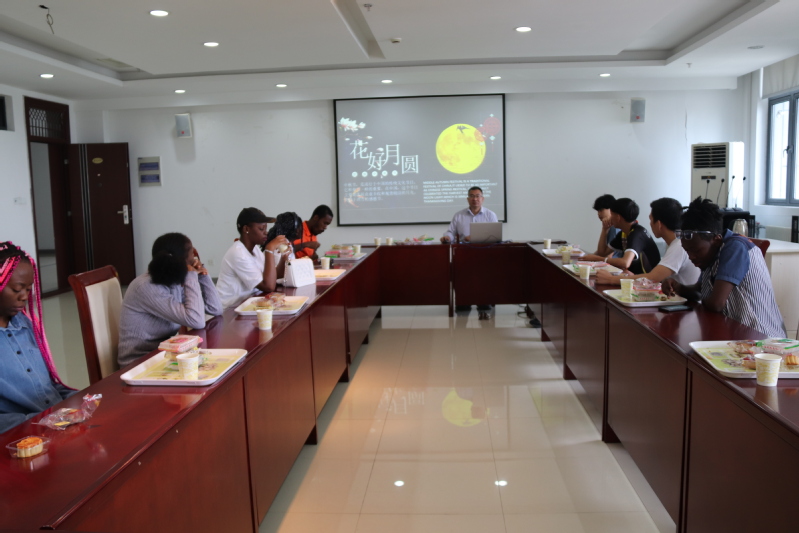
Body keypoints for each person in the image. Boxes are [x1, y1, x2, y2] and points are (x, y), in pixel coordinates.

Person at [662, 197, 785, 338]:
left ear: (716, 239)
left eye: (696, 251)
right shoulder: (709, 255)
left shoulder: (735, 248)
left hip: (762, 338)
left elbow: (716, 304)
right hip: (735, 335)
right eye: (687, 251)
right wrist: (678, 287)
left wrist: (703, 299)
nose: (691, 257)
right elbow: (700, 291)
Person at [1, 242, 77, 433]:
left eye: (28, 289)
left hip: (54, 420)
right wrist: (39, 421)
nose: (24, 297)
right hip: (23, 434)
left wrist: (77, 399)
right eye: (17, 289)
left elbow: (46, 386)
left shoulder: (25, 323)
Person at [117, 233, 223, 367]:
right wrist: (191, 276)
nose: (194, 259)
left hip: (164, 355)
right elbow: (196, 320)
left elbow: (215, 308)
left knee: (217, 365)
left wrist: (202, 275)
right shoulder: (146, 286)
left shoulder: (173, 280)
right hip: (139, 363)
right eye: (192, 254)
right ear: (181, 262)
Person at [596, 197, 701, 286]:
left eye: (651, 220)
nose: (650, 224)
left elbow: (653, 278)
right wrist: (633, 277)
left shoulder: (678, 246)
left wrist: (611, 279)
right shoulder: (676, 243)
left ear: (659, 224)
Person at [216, 208, 290, 308]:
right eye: (261, 229)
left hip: (247, 304)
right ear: (246, 229)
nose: (266, 232)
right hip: (229, 310)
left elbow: (274, 276)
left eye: (266, 229)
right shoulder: (238, 253)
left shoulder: (255, 249)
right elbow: (268, 286)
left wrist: (284, 258)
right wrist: (269, 249)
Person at [583, 198, 661, 275]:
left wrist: (598, 259)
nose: (610, 217)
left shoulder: (637, 233)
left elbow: (625, 263)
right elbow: (602, 252)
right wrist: (605, 229)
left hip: (649, 280)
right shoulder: (624, 233)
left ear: (618, 217)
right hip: (634, 276)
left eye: (611, 214)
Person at [592, 194, 622, 258]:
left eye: (601, 210)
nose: (598, 214)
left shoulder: (615, 227)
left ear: (611, 209)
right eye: (598, 211)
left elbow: (608, 255)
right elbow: (602, 251)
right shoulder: (609, 226)